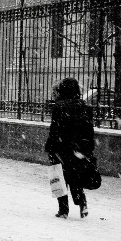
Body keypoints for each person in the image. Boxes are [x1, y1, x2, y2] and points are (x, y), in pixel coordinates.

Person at [45, 78, 96, 219]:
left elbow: (54, 130)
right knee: (75, 177)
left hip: (60, 148)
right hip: (78, 149)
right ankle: (82, 202)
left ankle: (63, 210)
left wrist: (51, 147)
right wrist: (86, 148)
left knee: (58, 178)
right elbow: (89, 131)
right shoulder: (85, 107)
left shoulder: (59, 107)